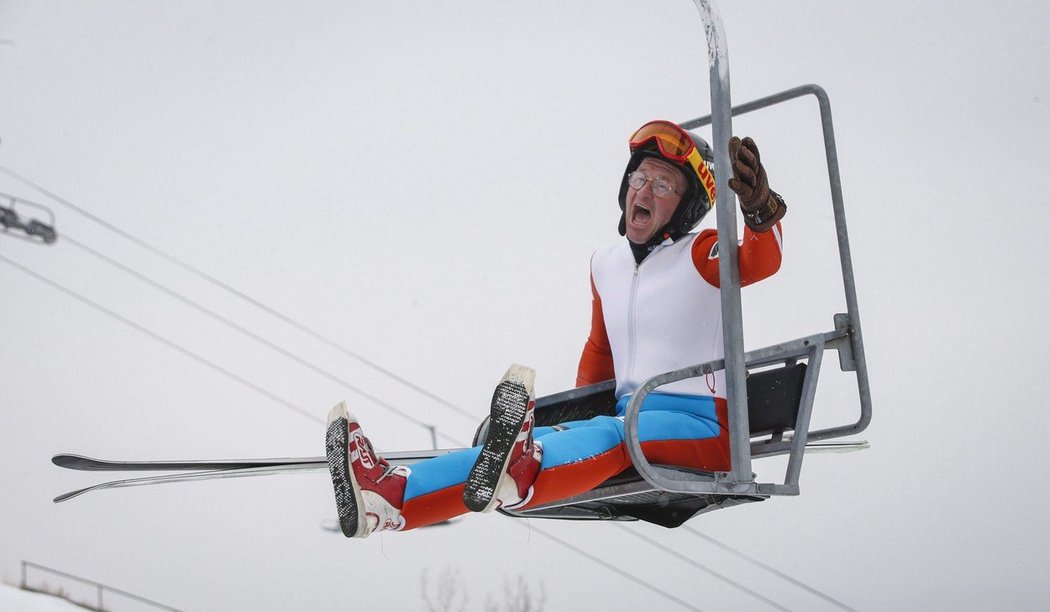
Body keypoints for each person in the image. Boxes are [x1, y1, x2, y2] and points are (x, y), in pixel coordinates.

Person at [325, 120, 786, 538]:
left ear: (686, 207)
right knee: (542, 442)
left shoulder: (701, 254)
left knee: (612, 435)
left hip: (702, 427)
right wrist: (578, 417)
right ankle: (388, 497)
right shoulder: (606, 264)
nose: (643, 192)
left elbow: (759, 261)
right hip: (633, 414)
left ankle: (524, 471)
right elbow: (600, 350)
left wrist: (761, 210)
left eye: (663, 184)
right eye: (639, 177)